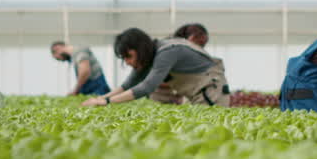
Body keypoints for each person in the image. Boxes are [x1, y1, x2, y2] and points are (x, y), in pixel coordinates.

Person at [82, 28, 230, 107]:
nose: (126, 62)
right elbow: (127, 85)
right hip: (194, 93)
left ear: (139, 49)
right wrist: (100, 98)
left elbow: (147, 87)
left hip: (211, 90)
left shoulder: (167, 52)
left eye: (128, 56)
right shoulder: (149, 56)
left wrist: (107, 102)